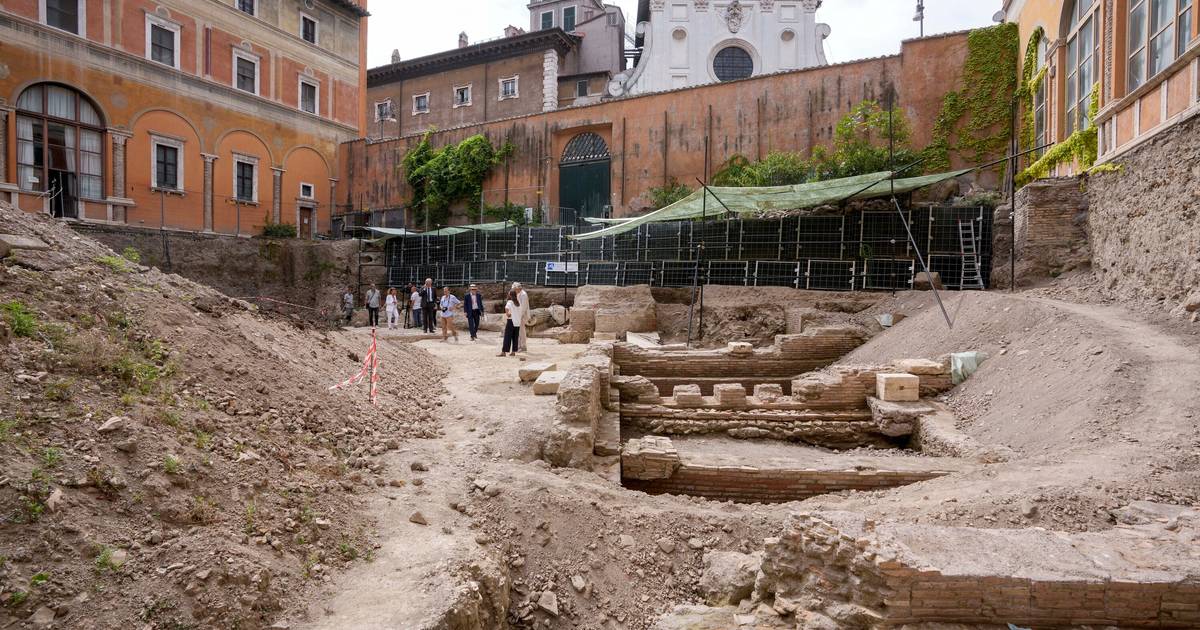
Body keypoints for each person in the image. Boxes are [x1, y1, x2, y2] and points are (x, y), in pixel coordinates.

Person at [498, 289, 520, 357]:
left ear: (510, 295)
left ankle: (503, 352)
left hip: (511, 321)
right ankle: (513, 352)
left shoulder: (509, 302)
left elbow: (507, 313)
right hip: (517, 322)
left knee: (507, 337)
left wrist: (508, 313)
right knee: (515, 337)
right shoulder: (518, 303)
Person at [513, 282, 530, 352]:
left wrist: (519, 315)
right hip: (518, 314)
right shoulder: (518, 293)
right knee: (518, 331)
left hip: (522, 315)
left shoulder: (523, 295)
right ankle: (518, 346)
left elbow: (523, 307)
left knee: (521, 331)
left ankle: (523, 346)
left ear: (518, 288)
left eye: (515, 289)